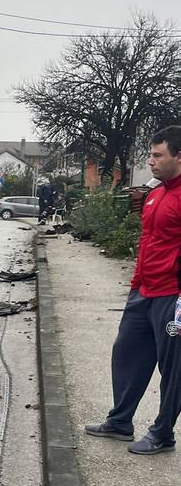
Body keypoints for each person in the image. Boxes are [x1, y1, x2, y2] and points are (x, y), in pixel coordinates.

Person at [85, 126, 181, 455]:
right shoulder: (155, 193)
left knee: (174, 367)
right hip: (144, 290)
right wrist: (136, 283)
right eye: (150, 155)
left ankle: (163, 433)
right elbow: (147, 241)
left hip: (174, 295)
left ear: (179, 157)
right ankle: (120, 421)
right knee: (126, 353)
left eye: (158, 155)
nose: (150, 162)